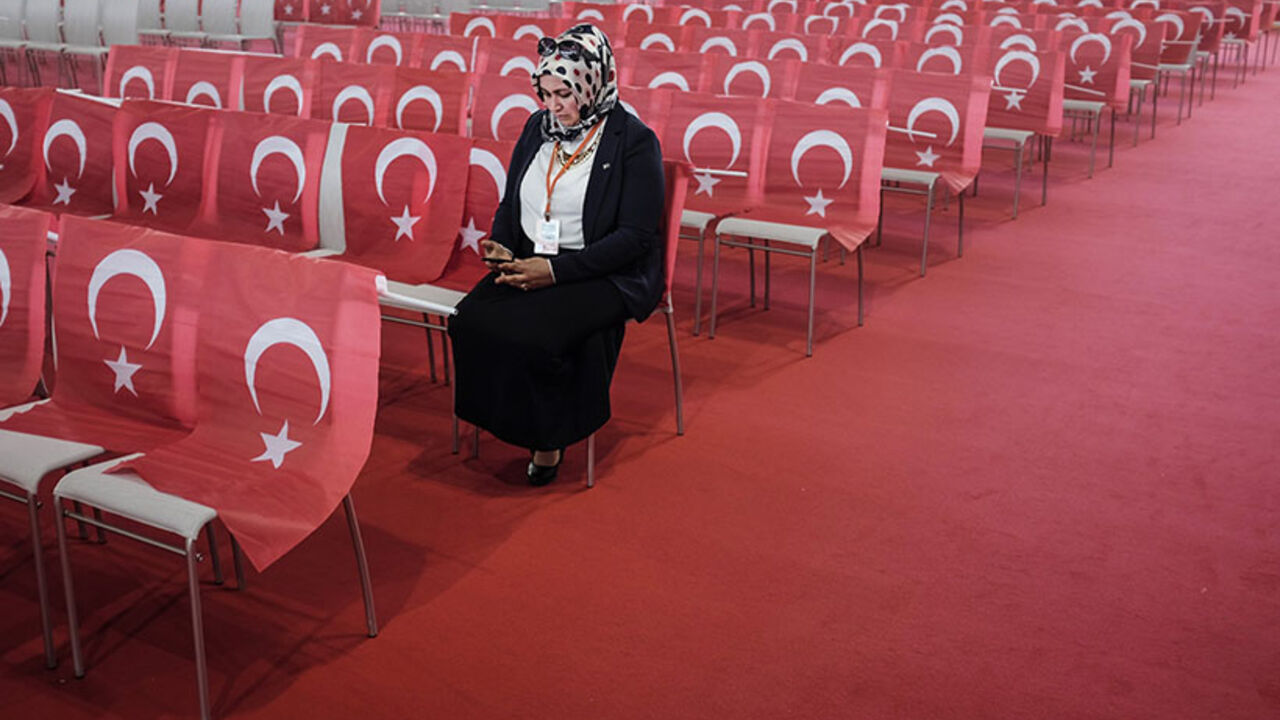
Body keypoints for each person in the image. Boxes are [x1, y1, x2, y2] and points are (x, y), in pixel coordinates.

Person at [447, 25, 665, 486]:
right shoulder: (536, 126)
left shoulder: (634, 140)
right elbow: (511, 201)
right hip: (535, 257)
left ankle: (548, 440)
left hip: (605, 271)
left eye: (564, 93)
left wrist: (555, 272)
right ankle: (503, 419)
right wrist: (502, 241)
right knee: (468, 319)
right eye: (544, 93)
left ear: (592, 82)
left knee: (535, 336)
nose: (553, 106)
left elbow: (636, 238)